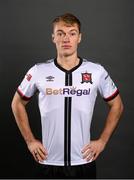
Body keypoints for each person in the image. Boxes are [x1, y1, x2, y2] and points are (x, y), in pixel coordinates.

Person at [11, 13, 123, 179]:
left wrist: (103, 141)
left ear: (79, 38)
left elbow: (117, 105)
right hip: (48, 162)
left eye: (72, 33)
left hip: (83, 162)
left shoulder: (96, 71)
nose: (66, 38)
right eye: (60, 33)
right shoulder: (38, 71)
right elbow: (17, 103)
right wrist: (30, 141)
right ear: (53, 38)